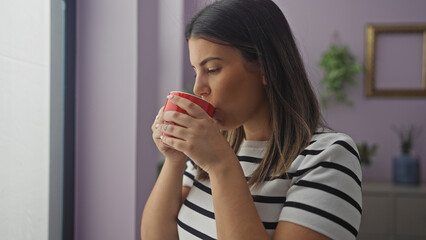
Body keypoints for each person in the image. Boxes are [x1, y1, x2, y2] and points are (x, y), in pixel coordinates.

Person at [141, 0, 362, 239]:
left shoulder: (327, 156)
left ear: (266, 68)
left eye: (213, 69)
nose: (198, 87)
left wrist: (222, 167)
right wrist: (174, 159)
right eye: (196, 71)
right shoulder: (209, 148)